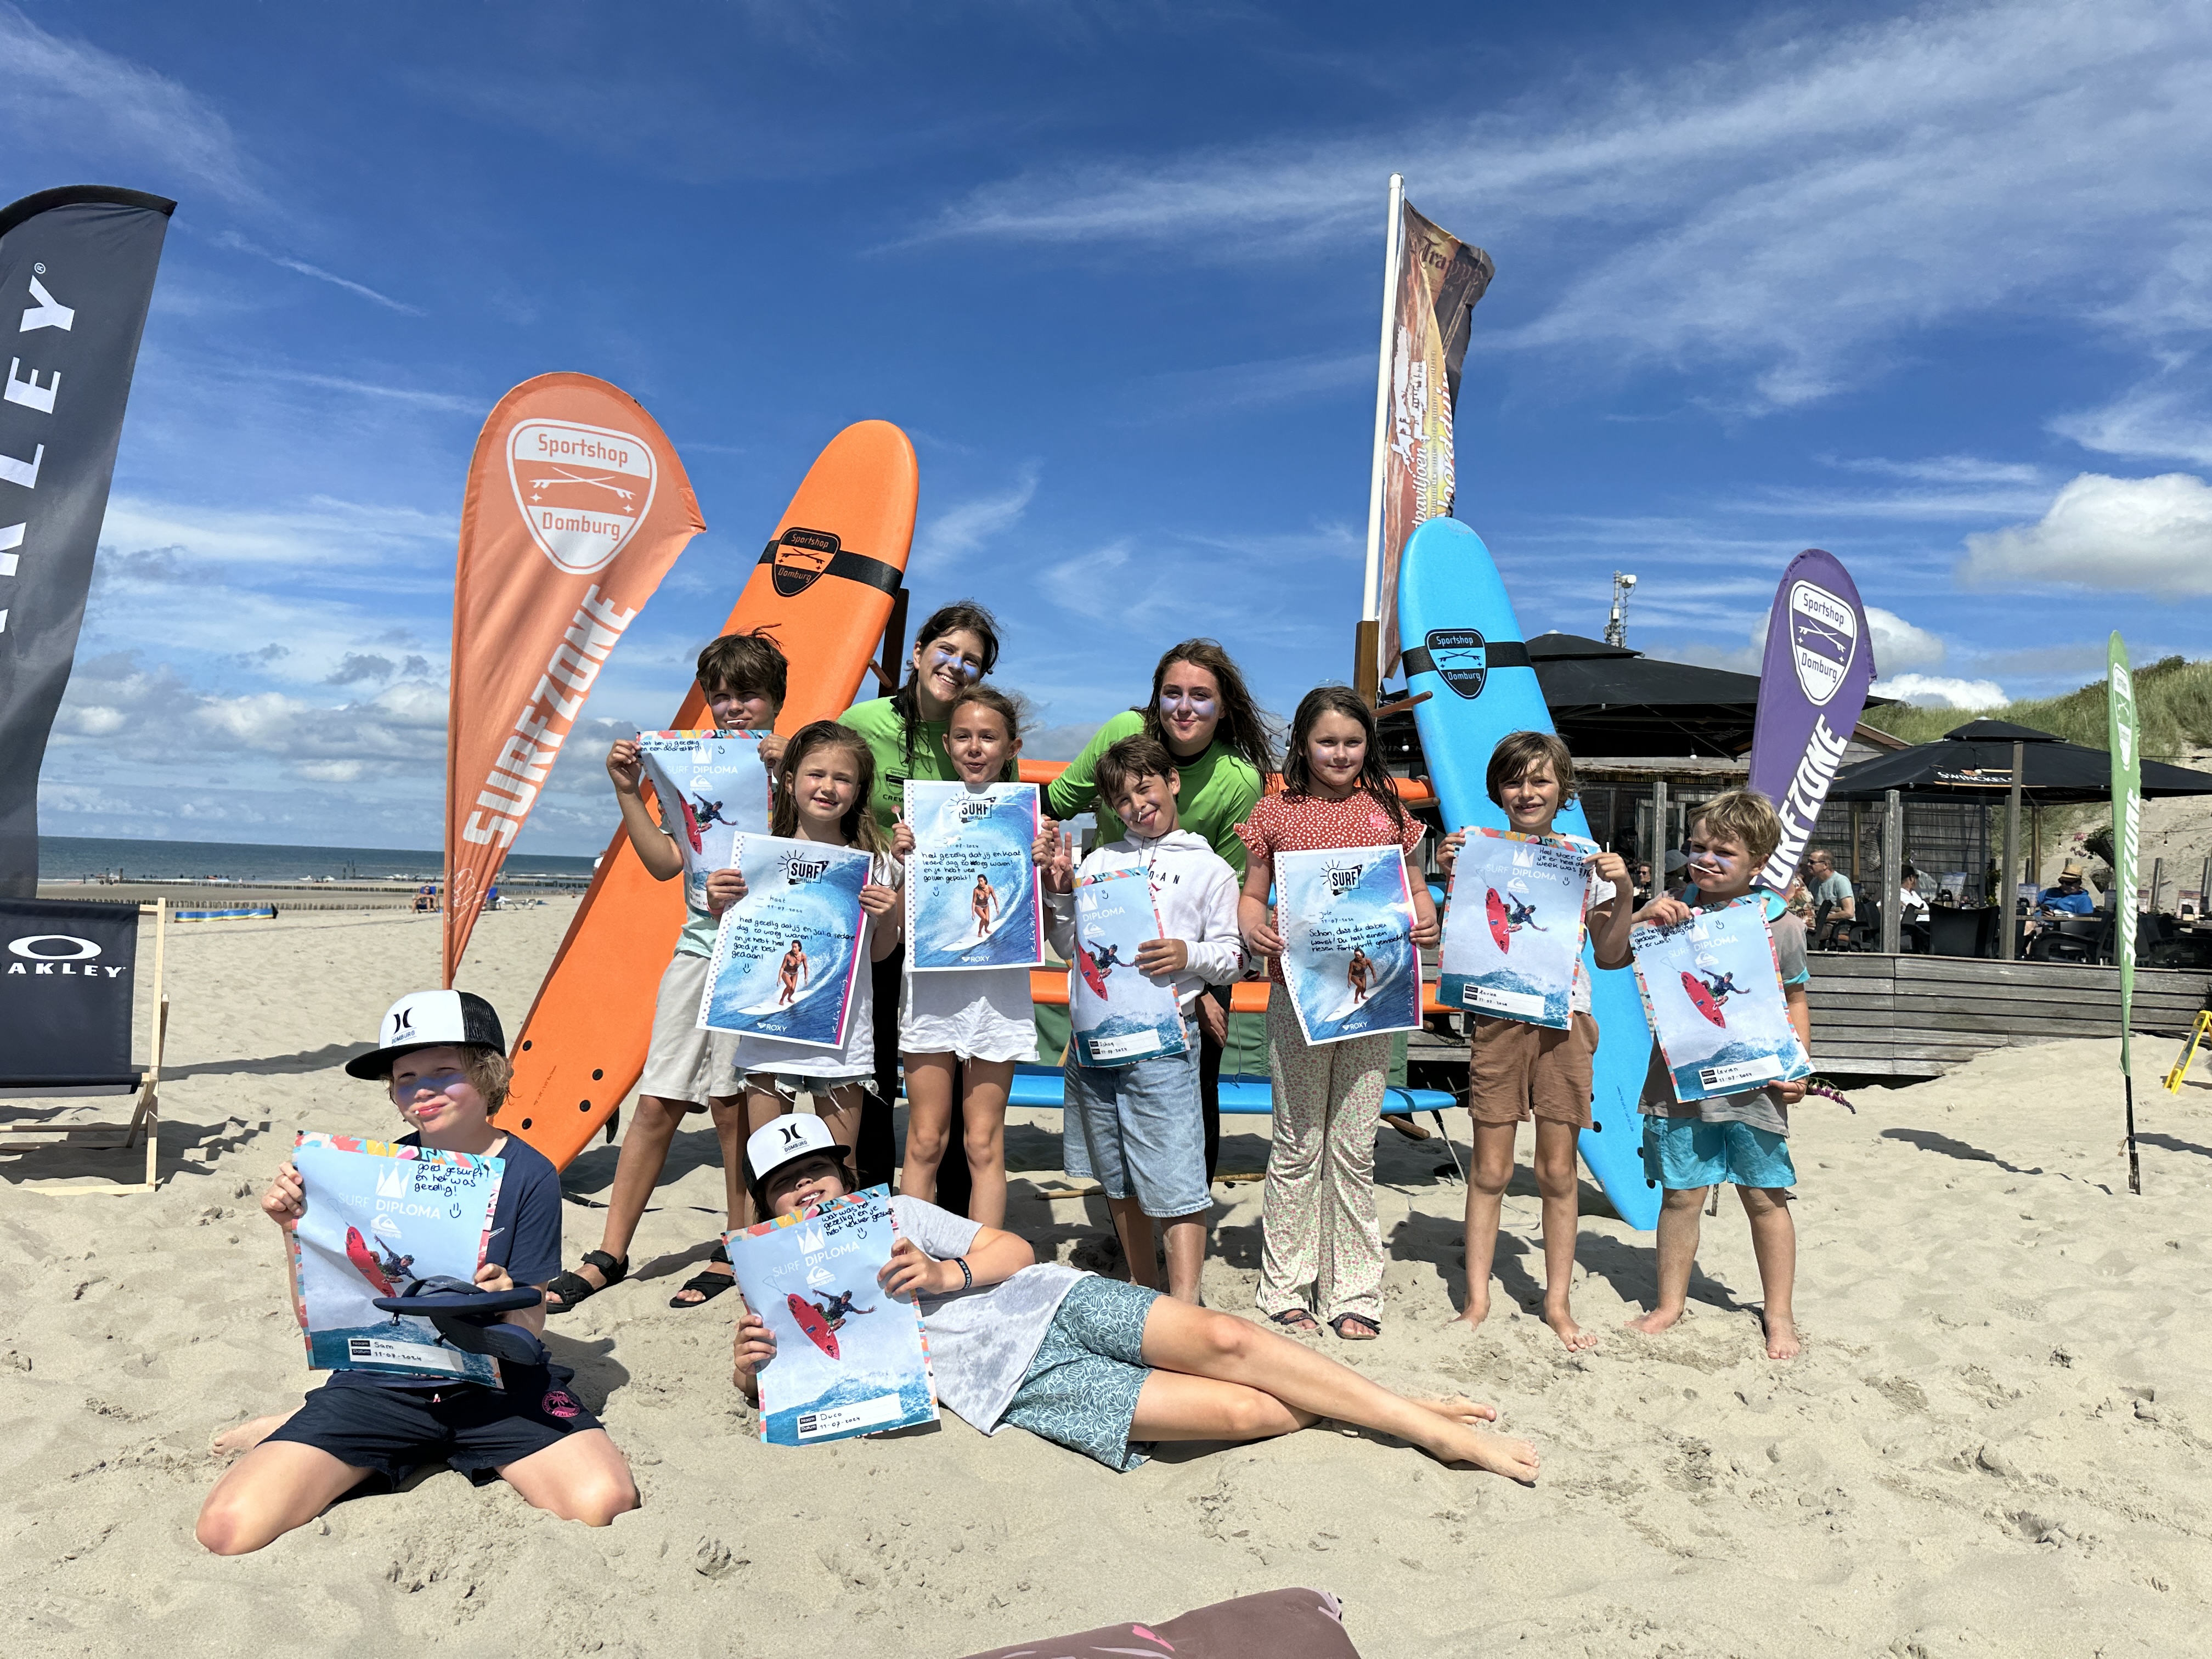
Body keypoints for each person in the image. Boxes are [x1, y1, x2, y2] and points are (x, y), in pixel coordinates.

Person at [729, 1117, 1538, 1481]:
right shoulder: (773, 1280)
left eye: (819, 1173)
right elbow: (791, 1380)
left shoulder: (897, 1215)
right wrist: (748, 1371)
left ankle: (1427, 1429)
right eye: (789, 1186)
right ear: (769, 1207)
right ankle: (1389, 1406)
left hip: (1051, 1301)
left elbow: (1013, 1250)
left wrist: (949, 1276)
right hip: (1014, 1382)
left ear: (845, 1175)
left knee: (1227, 1341)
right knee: (1240, 1412)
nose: (810, 1191)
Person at [196, 991, 638, 1554]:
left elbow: (529, 1325)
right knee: (227, 1529)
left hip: (497, 1385)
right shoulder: (371, 1172)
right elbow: (323, 1316)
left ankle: (379, 1440)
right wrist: (293, 1231)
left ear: (489, 1075)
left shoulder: (531, 1175)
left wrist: (506, 1297)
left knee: (604, 1503)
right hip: (384, 1382)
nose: (422, 1090)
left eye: (444, 1072)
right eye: (405, 1078)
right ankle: (315, 1422)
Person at [545, 632, 788, 1314]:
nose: (734, 708)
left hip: (766, 953)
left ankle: (737, 1241)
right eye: (722, 696)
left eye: (749, 695)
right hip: (697, 947)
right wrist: (628, 790)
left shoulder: (800, 762)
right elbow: (664, 864)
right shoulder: (692, 768)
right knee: (657, 1100)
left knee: (735, 1108)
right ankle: (610, 1252)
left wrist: (792, 766)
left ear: (776, 700)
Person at [1237, 686, 1438, 1341]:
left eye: (1353, 742)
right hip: (1298, 1000)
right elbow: (1253, 894)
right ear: (1302, 744)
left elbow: (1415, 889)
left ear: (1367, 746)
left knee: (1353, 1148)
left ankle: (1353, 1289)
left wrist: (1426, 918)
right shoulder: (1274, 812)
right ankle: (1287, 1284)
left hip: (1373, 1003)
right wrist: (1253, 926)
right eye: (1327, 741)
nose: (1341, 753)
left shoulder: (1388, 811)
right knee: (1298, 1144)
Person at [1433, 732, 1633, 1352]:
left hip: (1566, 1021)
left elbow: (1611, 954)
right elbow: (1459, 933)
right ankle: (1477, 1300)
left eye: (1540, 780)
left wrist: (1625, 890)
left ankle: (1557, 1304)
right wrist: (1447, 869)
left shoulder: (1585, 857)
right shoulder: (1476, 850)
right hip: (1498, 1019)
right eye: (1515, 781)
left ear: (1562, 789)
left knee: (1557, 1172)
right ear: (1497, 790)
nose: (1527, 792)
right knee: (1490, 1170)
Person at [1049, 641, 1272, 1187]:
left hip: (1196, 958)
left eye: (1201, 695)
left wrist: (1201, 994)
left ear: (1224, 706)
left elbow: (1230, 899)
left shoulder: (1239, 778)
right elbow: (1051, 805)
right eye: (1173, 693)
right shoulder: (1122, 734)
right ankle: (1128, 1214)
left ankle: (1187, 1216)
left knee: (1197, 1087)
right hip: (1113, 954)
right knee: (1110, 1090)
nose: (1184, 707)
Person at [1042, 733, 1243, 1304]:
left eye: (1145, 788)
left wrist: (1188, 954)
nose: (1137, 806)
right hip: (1097, 1042)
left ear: (1172, 782)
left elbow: (1234, 958)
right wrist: (1061, 897)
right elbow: (1071, 948)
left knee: (1177, 1174)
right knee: (1117, 1172)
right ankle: (1142, 1286)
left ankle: (1184, 1304)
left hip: (1167, 1041)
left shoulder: (1211, 869)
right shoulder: (1099, 862)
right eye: (1122, 800)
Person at [1614, 791, 1811, 1361]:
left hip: (1758, 1085)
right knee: (1681, 1196)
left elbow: (1795, 1000)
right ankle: (1669, 1304)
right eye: (1698, 846)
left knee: (1766, 1199)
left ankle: (1779, 1314)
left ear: (1759, 862)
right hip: (1679, 1082)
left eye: (1724, 851)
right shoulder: (1669, 908)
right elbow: (1612, 955)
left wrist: (1799, 1068)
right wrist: (1642, 915)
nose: (1706, 859)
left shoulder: (1782, 925)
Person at [707, 720, 905, 1222]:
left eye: (843, 778)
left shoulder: (875, 863)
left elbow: (880, 956)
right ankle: (758, 1258)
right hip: (767, 1034)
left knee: (844, 1169)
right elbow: (737, 942)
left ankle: (840, 1256)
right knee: (768, 1169)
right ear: (790, 780)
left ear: (859, 790)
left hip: (842, 1037)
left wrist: (889, 919)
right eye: (817, 774)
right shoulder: (755, 858)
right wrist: (718, 902)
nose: (828, 787)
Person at [841, 601, 1003, 1200]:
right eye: (947, 650)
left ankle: (955, 1211)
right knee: (876, 1061)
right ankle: (872, 1199)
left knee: (953, 1070)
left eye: (972, 661)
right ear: (917, 653)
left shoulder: (974, 732)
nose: (957, 666)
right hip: (878, 909)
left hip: (949, 918)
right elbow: (828, 790)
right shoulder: (864, 720)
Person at [890, 685, 1060, 1229]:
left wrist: (1047, 867)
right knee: (924, 1140)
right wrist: (902, 862)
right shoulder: (919, 818)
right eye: (962, 736)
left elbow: (1047, 920)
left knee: (983, 1142)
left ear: (1012, 748)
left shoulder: (1033, 822)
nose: (974, 747)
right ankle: (913, 1253)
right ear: (947, 744)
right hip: (932, 994)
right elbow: (899, 919)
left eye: (988, 737)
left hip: (998, 998)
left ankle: (985, 1259)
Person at [1802, 846, 1854, 948]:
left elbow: (1849, 913)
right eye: (1808, 861)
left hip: (1838, 926)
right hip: (1819, 924)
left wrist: (1822, 918)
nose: (1808, 865)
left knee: (1805, 935)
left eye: (1812, 862)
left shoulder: (1840, 881)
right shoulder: (1814, 882)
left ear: (1825, 865)